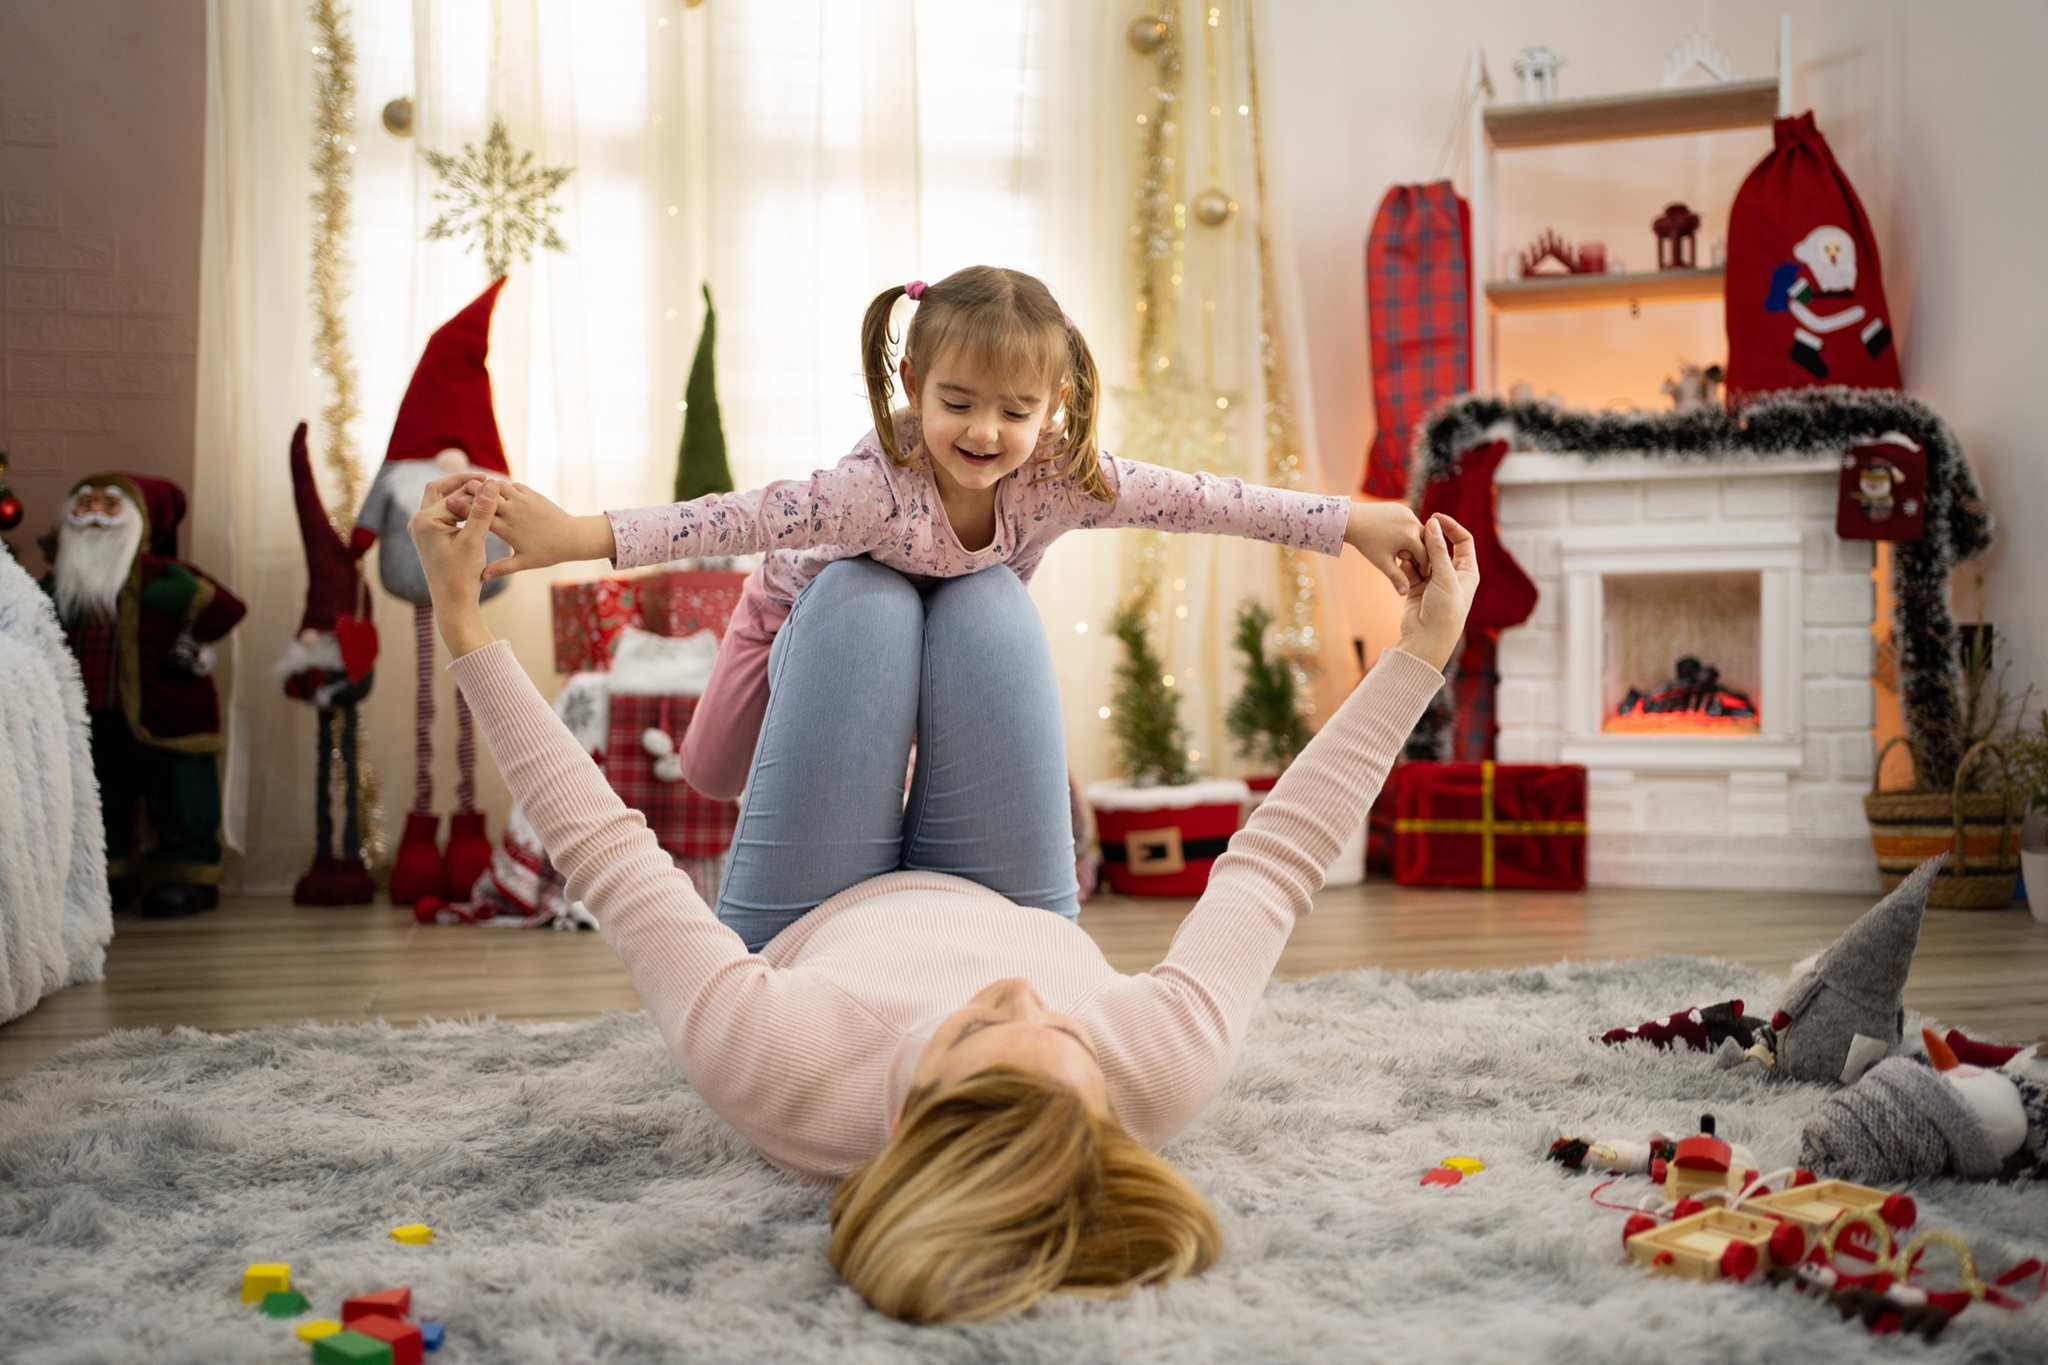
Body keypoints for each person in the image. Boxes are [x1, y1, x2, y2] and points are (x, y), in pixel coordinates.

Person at [410, 462, 1479, 1323]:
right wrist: (1421, 651)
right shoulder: (1159, 1069)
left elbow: (611, 855)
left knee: (862, 594)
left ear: (906, 1117)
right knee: (980, 599)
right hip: (1008, 885)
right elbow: (1274, 862)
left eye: (974, 1032)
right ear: (1108, 1114)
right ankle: (919, 585)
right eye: (1061, 1036)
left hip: (806, 911)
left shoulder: (781, 1071)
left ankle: (790, 607)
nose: (1018, 996)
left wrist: (462, 622)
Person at [448, 265, 1431, 809]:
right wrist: (575, 532)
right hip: (798, 614)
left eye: (1015, 410)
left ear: (1054, 406)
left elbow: (1212, 500)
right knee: (709, 772)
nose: (985, 434)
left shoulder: (1064, 479)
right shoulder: (870, 487)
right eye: (957, 403)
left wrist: (1351, 524)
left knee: (934, 693)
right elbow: (735, 515)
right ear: (912, 386)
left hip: (943, 637)